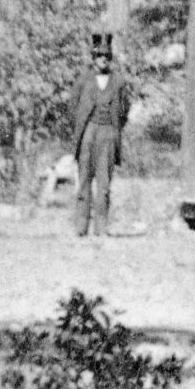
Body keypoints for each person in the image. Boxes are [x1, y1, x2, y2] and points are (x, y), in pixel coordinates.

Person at [67, 31, 130, 239]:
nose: (103, 59)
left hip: (108, 134)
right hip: (88, 132)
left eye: (106, 55)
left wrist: (114, 130)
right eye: (99, 55)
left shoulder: (118, 82)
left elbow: (124, 111)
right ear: (93, 57)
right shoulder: (83, 79)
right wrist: (82, 129)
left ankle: (101, 228)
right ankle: (80, 228)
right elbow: (73, 107)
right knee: (84, 180)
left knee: (104, 183)